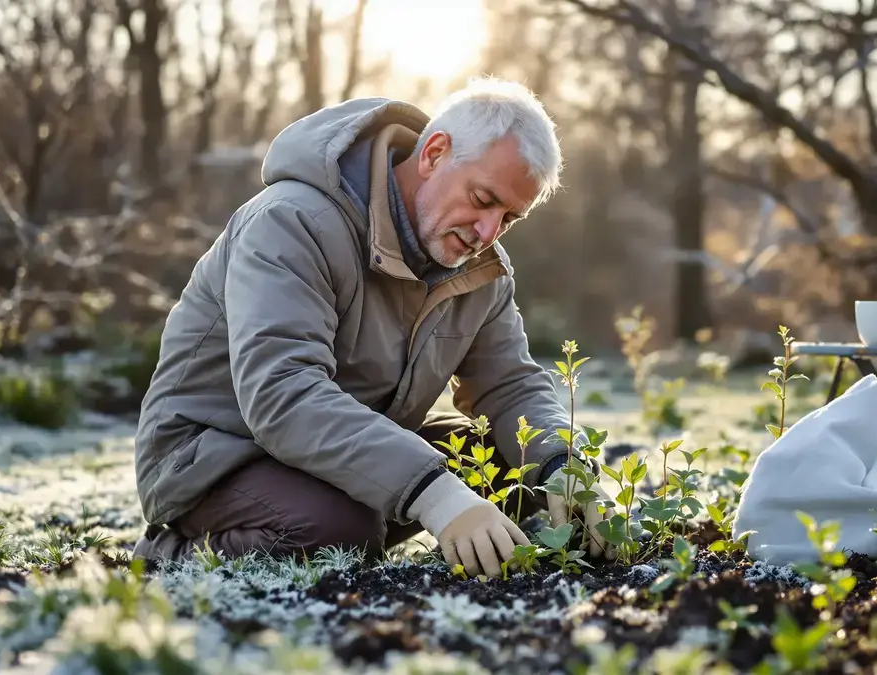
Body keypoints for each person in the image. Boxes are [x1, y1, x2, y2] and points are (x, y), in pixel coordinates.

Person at [131, 78, 615, 577]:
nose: (487, 232)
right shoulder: (291, 222)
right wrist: (435, 492)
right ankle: (168, 554)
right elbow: (283, 393)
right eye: (482, 198)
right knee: (339, 529)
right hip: (213, 458)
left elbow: (510, 385)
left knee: (518, 474)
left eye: (509, 218)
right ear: (433, 152)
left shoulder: (480, 267)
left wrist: (565, 469)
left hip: (335, 461)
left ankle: (369, 516)